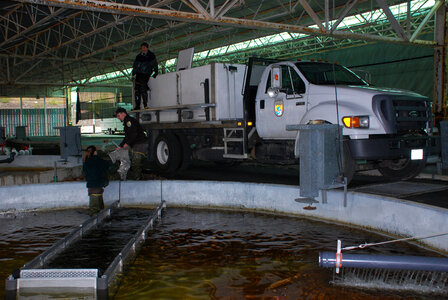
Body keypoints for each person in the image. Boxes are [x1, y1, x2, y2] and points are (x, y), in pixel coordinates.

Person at [115, 107, 148, 180]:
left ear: (123, 114)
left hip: (140, 144)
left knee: (136, 162)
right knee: (133, 161)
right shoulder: (127, 121)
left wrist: (127, 143)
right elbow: (127, 136)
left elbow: (133, 134)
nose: (118, 118)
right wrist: (120, 145)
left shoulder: (129, 122)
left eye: (118, 116)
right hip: (136, 144)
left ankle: (138, 178)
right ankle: (136, 176)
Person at [83, 145, 110, 215]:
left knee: (94, 211)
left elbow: (84, 172)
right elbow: (109, 167)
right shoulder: (101, 161)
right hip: (100, 188)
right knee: (101, 210)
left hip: (92, 189)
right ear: (95, 152)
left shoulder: (87, 162)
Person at [132, 42, 158, 110]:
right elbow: (135, 65)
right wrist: (133, 72)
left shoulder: (151, 55)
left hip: (146, 73)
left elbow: (155, 64)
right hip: (139, 74)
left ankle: (145, 104)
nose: (143, 49)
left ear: (147, 48)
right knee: (137, 90)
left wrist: (156, 72)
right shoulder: (138, 56)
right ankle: (137, 106)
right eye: (142, 47)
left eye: (144, 47)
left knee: (143, 88)